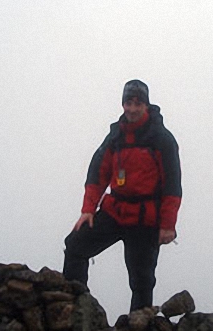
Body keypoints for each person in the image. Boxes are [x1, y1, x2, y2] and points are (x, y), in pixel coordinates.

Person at [63, 80, 182, 312]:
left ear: (146, 105)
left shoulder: (161, 138)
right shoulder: (116, 136)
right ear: (123, 104)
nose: (132, 109)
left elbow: (172, 187)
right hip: (115, 212)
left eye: (138, 103)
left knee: (142, 281)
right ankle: (73, 311)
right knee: (75, 246)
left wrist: (167, 225)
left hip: (145, 220)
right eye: (128, 102)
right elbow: (98, 173)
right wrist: (88, 210)